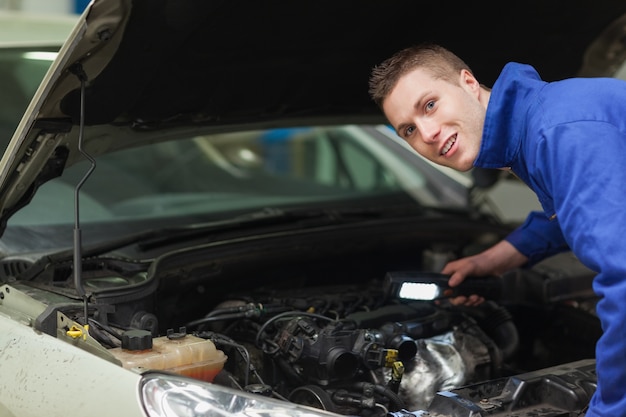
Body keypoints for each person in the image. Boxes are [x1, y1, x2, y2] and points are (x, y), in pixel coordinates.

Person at [368, 42, 626, 417]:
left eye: (429, 104)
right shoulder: (541, 120)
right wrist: (495, 259)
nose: (427, 132)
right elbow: (580, 203)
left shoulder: (559, 133)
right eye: (407, 129)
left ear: (469, 82)